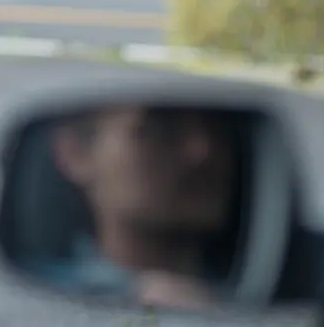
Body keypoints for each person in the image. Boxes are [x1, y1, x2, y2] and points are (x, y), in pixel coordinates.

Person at [45, 104, 240, 309]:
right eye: (160, 128)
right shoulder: (42, 296)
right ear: (75, 154)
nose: (203, 151)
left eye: (218, 127)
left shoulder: (258, 289)